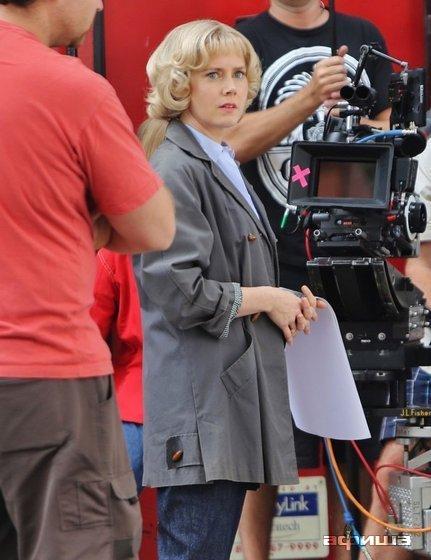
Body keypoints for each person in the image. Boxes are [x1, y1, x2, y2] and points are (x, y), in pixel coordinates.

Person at [136, 19, 325, 560]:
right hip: (202, 412)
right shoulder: (176, 165)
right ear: (180, 84)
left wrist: (284, 304)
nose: (231, 88)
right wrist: (268, 298)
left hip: (223, 407)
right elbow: (179, 290)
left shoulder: (215, 156)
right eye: (212, 75)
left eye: (239, 74)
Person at [0, 0, 175, 558]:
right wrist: (82, 220)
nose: (100, 4)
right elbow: (154, 227)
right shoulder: (72, 87)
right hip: (46, 378)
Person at [220, 2, 393, 557]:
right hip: (266, 267)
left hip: (355, 265)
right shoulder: (242, 41)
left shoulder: (364, 35)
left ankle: (349, 551)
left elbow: (388, 146)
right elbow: (225, 145)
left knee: (357, 433)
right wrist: (308, 98)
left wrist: (358, 125)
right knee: (266, 437)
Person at [91, 249, 145, 493]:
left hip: (134, 401)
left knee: (106, 504)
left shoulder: (117, 253)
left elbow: (90, 338)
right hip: (206, 407)